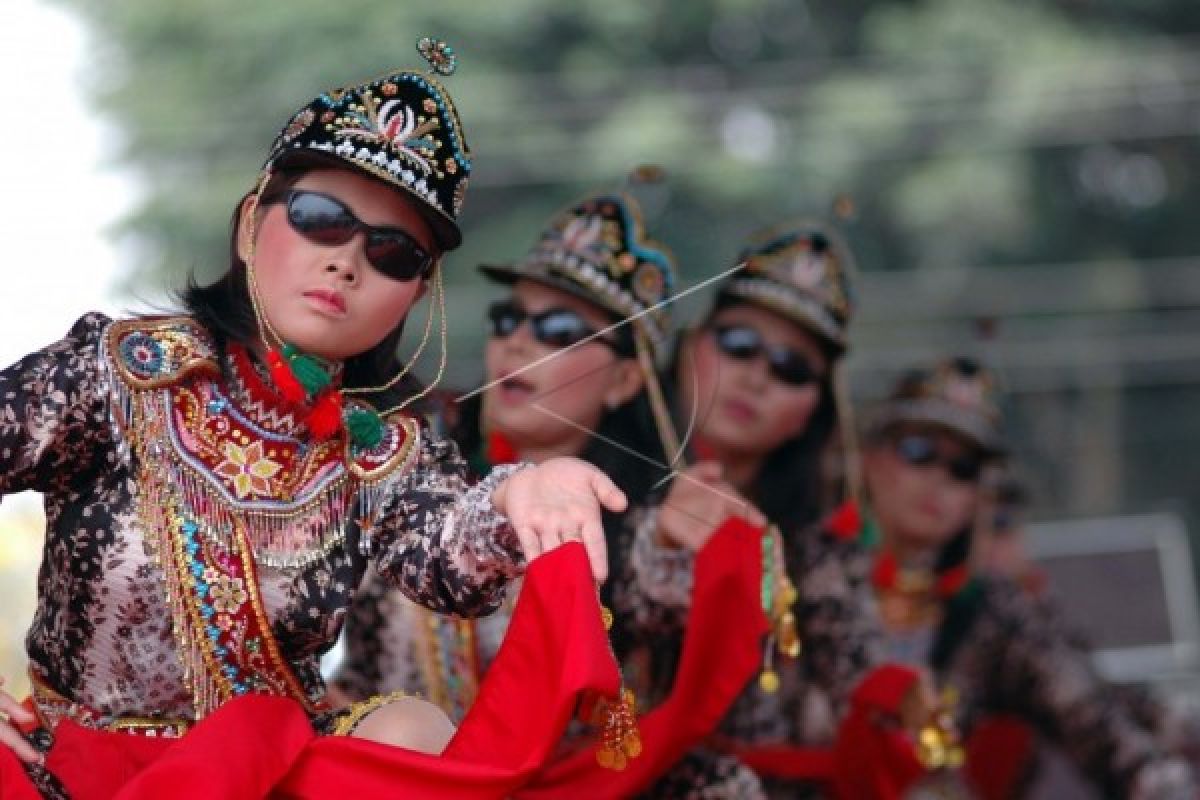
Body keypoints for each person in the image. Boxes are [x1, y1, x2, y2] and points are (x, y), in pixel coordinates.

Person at [0, 39, 626, 798]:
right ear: (249, 224)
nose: (347, 261)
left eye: (394, 252)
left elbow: (449, 561)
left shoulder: (385, 453)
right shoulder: (117, 373)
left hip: (265, 775)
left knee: (412, 732)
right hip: (70, 773)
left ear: (414, 296)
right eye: (322, 216)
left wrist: (518, 492)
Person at [332, 183, 677, 723]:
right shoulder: (415, 478)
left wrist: (680, 538)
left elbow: (670, 592)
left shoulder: (642, 532)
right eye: (507, 319)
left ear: (626, 379)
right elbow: (351, 679)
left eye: (558, 331)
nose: (517, 342)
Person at [611, 220, 901, 798]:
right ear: (692, 346)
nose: (756, 376)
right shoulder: (600, 475)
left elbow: (860, 685)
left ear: (812, 410)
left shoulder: (818, 546)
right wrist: (664, 545)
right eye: (740, 344)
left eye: (792, 368)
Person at [858, 357, 1196, 798]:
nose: (938, 479)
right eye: (919, 452)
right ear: (871, 459)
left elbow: (1095, 719)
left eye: (963, 469)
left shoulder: (993, 614)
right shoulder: (804, 574)